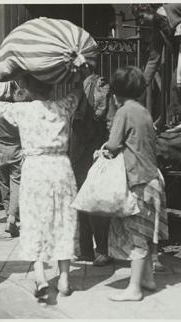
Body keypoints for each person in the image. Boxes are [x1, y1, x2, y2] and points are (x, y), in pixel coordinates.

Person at [0, 58, 87, 299]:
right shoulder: (62, 107)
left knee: (34, 220)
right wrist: (79, 70)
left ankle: (40, 276)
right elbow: (79, 91)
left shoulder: (21, 110)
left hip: (35, 169)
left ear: (26, 88)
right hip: (60, 167)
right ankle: (65, 279)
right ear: (51, 87)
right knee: (64, 220)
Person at [104, 66, 168, 301]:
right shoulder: (144, 111)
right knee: (147, 232)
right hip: (153, 179)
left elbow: (113, 144)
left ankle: (134, 289)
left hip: (138, 180)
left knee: (137, 235)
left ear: (116, 93)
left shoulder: (123, 111)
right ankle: (148, 279)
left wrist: (101, 151)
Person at [69, 64, 112, 266]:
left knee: (89, 202)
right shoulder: (87, 87)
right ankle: (89, 249)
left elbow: (97, 117)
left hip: (88, 151)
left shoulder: (93, 86)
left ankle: (96, 250)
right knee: (87, 201)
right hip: (85, 151)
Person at [0, 81, 22, 237]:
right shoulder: (18, 108)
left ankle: (7, 215)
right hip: (16, 148)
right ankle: (12, 217)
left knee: (3, 183)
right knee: (16, 181)